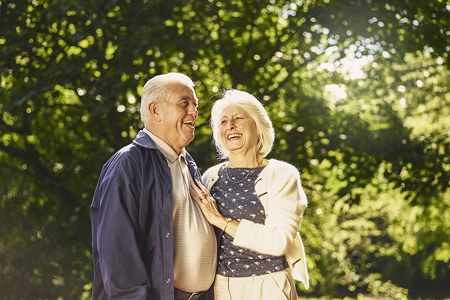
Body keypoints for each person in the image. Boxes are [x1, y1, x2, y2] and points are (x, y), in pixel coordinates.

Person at [90, 73, 217, 300]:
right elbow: (117, 252)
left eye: (195, 105)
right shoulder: (128, 163)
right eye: (184, 104)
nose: (194, 113)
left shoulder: (187, 163)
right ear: (155, 110)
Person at [189, 89, 309, 300]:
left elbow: (278, 241)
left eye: (238, 118)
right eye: (224, 122)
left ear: (258, 125)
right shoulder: (210, 176)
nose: (230, 126)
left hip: (268, 286)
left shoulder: (282, 175)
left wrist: (221, 221)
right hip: (219, 288)